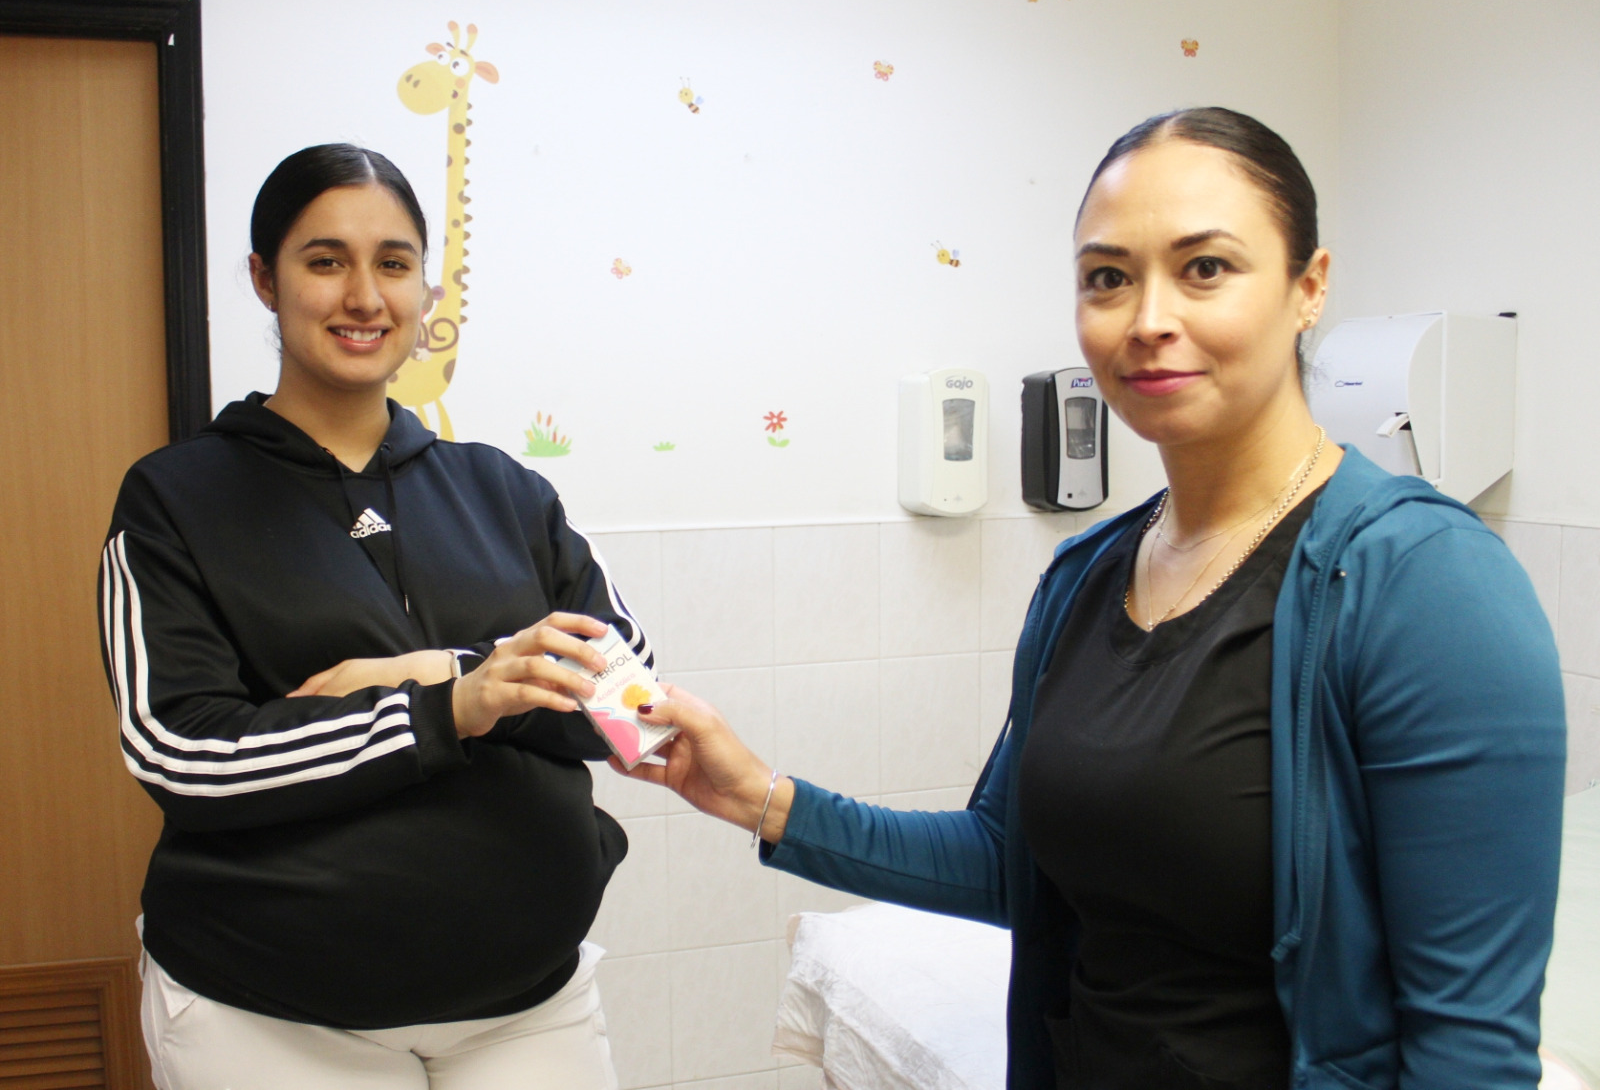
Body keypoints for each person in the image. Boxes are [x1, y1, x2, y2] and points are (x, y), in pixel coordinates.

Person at [620, 109, 1567, 1089]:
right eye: (1108, 277)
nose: (1148, 317)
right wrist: (755, 794)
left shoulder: (1425, 585)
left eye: (1205, 267)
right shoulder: (1085, 574)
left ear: (1308, 286)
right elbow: (1009, 859)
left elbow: (1470, 1052)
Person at [98, 143, 642, 1090]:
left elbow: (631, 701)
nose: (364, 296)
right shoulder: (174, 501)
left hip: (527, 1004)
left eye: (393, 263)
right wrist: (448, 711)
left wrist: (439, 676)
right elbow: (183, 752)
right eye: (325, 261)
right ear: (265, 279)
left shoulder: (504, 490)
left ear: (425, 290)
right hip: (272, 1012)